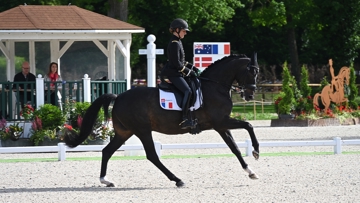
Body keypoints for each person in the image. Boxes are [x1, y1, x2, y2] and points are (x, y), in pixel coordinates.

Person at [160, 18, 200, 129]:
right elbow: (177, 63)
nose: (185, 33)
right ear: (177, 30)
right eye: (184, 31)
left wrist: (193, 67)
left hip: (177, 72)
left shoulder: (178, 42)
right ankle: (184, 118)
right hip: (173, 73)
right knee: (187, 91)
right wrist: (189, 72)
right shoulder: (174, 43)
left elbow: (182, 60)